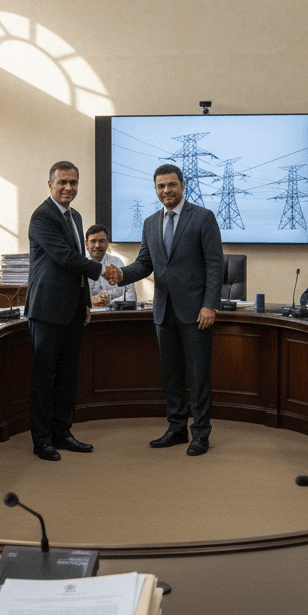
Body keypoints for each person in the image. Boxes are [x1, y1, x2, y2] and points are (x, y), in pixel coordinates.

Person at [106, 164, 223, 455]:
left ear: (183, 185)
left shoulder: (203, 217)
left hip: (196, 312)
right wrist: (121, 274)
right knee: (170, 375)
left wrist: (210, 304)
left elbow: (214, 264)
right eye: (161, 186)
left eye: (171, 185)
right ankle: (176, 429)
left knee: (198, 376)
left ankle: (200, 434)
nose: (166, 191)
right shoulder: (150, 222)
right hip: (163, 312)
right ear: (155, 189)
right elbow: (145, 263)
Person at [26, 161, 104, 461]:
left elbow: (76, 263)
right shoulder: (42, 216)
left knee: (68, 375)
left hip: (72, 309)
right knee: (44, 377)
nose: (68, 188)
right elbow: (64, 256)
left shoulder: (77, 216)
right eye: (62, 183)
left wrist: (84, 301)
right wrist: (102, 270)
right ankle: (42, 440)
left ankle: (63, 432)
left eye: (73, 182)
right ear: (50, 185)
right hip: (46, 310)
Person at [84, 224, 137, 306]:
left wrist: (109, 302)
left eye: (102, 241)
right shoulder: (80, 266)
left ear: (107, 243)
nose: (97, 245)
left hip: (114, 316)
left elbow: (131, 296)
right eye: (93, 241)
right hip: (88, 316)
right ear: (86, 244)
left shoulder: (118, 263)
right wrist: (89, 302)